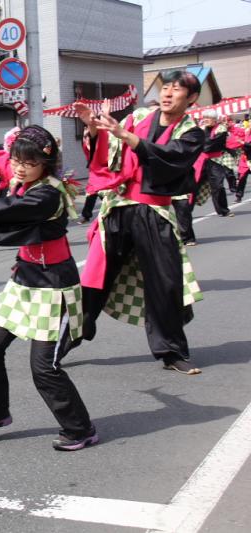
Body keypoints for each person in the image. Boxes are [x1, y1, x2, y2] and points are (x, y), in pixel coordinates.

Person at [0, 91, 97, 451]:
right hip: (24, 280)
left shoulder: (47, 195)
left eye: (28, 162)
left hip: (55, 287)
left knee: (44, 367)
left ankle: (80, 429)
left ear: (46, 163)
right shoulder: (19, 175)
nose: (19, 167)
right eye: (16, 160)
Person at [67, 70, 205, 375]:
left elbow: (171, 158)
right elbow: (109, 154)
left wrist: (126, 136)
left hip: (155, 212)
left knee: (165, 283)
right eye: (165, 87)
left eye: (177, 90)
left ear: (192, 98)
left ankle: (171, 351)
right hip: (118, 207)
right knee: (95, 278)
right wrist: (92, 128)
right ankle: (70, 336)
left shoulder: (192, 131)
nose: (168, 94)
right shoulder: (139, 116)